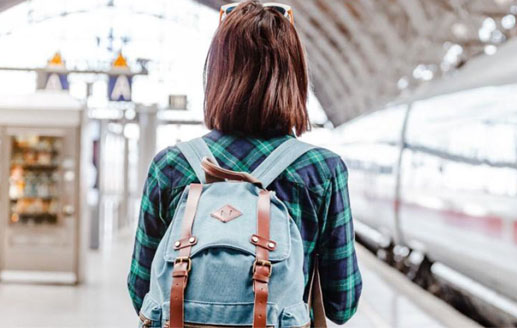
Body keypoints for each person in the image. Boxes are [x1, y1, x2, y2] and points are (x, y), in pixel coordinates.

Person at [127, 0, 362, 324]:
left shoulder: (170, 166)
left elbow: (141, 290)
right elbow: (342, 304)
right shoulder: (321, 171)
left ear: (216, 76)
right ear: (294, 77)